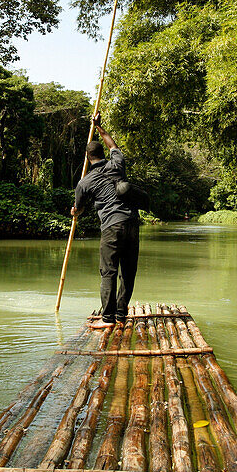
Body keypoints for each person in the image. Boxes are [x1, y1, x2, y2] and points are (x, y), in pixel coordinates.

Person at [72, 115, 140, 329]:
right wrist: (100, 128)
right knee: (128, 271)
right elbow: (114, 145)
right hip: (132, 222)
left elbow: (80, 209)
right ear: (103, 154)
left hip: (111, 226)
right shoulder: (117, 164)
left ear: (87, 157)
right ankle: (121, 314)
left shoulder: (85, 182)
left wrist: (75, 212)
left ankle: (108, 319)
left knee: (108, 271)